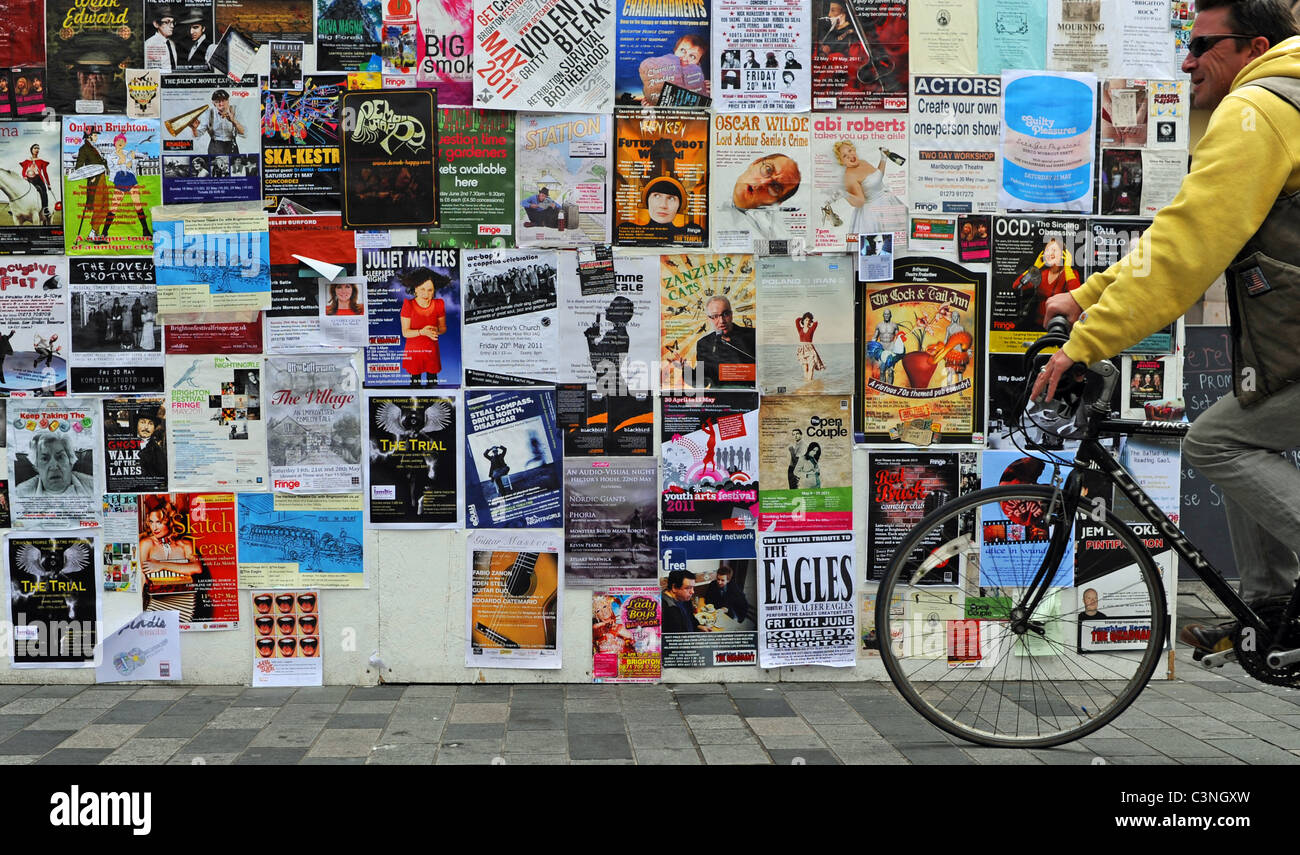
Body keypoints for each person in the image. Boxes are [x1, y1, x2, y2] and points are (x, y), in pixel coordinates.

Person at [1032, 0, 1300, 655]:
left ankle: (1271, 599)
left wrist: (1087, 343)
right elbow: (1180, 228)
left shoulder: (1257, 109)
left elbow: (1185, 249)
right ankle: (1271, 608)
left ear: (1253, 44)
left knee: (1216, 443)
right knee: (1241, 423)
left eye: (1203, 43)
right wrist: (1090, 295)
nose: (1186, 59)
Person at [715, 153, 803, 242]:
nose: (762, 182)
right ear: (755, 162)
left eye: (776, 187)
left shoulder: (766, 236)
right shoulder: (715, 185)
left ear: (776, 202)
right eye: (768, 170)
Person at [834, 140, 902, 238]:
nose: (849, 155)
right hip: (873, 214)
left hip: (888, 201)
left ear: (854, 150)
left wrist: (883, 158)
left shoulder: (863, 162)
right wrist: (845, 194)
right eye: (844, 156)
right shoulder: (849, 176)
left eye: (849, 151)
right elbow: (860, 202)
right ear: (842, 161)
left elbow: (877, 178)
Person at [1011, 236, 1081, 330]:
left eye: (1054, 250)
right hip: (1038, 326)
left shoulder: (1070, 274)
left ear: (1063, 254)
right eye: (1047, 250)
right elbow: (1017, 286)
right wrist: (1034, 268)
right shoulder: (1041, 274)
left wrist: (1067, 267)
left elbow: (1077, 297)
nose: (1050, 253)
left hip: (1060, 326)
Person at [399, 267, 446, 387]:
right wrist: (422, 332)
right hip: (414, 352)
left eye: (430, 290)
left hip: (432, 351)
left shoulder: (439, 304)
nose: (426, 294)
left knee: (433, 383)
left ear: (434, 290)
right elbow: (405, 332)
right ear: (415, 289)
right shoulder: (408, 305)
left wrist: (437, 330)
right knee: (415, 384)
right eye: (422, 289)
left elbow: (443, 328)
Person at [695, 295, 756, 388]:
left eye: (725, 314)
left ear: (731, 314)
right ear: (709, 319)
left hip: (750, 394)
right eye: (715, 316)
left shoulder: (753, 335)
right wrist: (684, 369)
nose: (722, 321)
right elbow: (701, 383)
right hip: (720, 397)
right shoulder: (704, 344)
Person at [15, 433, 94, 497]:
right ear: (36, 466)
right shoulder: (20, 493)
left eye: (60, 457)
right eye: (45, 459)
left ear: (71, 461)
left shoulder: (93, 486)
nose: (54, 467)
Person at [104, 133, 150, 239]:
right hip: (120, 180)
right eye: (118, 141)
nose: (120, 143)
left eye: (123, 141)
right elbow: (115, 169)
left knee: (138, 205)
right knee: (114, 207)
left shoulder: (128, 153)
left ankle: (146, 231)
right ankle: (104, 233)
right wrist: (126, 160)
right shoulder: (110, 156)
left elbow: (131, 167)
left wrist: (131, 160)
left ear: (125, 143)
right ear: (114, 143)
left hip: (130, 179)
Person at [638, 33, 707, 104]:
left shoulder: (697, 80)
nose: (684, 58)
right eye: (682, 50)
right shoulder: (662, 71)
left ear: (698, 63)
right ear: (675, 50)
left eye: (692, 56)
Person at [74, 125, 109, 242]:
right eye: (94, 135)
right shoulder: (84, 149)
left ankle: (95, 233)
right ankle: (94, 233)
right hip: (95, 181)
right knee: (98, 207)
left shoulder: (95, 147)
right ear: (88, 136)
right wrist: (90, 176)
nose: (96, 137)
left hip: (102, 178)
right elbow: (78, 167)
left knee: (105, 206)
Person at [190, 89, 247, 155]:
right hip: (215, 146)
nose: (221, 104)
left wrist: (234, 121)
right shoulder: (209, 113)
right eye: (217, 101)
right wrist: (194, 129)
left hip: (231, 145)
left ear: (228, 101)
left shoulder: (235, 110)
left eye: (223, 100)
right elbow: (198, 134)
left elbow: (244, 132)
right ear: (213, 103)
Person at [19, 143, 52, 223]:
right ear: (31, 150)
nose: (37, 150)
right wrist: (24, 176)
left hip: (38, 179)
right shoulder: (27, 161)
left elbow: (45, 173)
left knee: (43, 190)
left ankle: (45, 208)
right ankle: (17, 209)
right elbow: (23, 171)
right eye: (35, 148)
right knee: (20, 190)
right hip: (29, 179)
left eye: (38, 148)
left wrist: (48, 184)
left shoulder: (41, 161)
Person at [145, 5, 179, 71]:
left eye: (172, 22)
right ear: (156, 24)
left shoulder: (171, 44)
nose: (172, 26)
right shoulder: (149, 44)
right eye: (167, 22)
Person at [136, 410, 166, 480]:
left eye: (150, 423)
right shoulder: (125, 445)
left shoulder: (158, 451)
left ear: (154, 428)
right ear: (137, 424)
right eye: (142, 422)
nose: (146, 427)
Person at [795, 312, 825, 381]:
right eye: (806, 320)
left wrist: (811, 319)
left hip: (810, 349)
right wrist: (803, 317)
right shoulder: (800, 329)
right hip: (802, 350)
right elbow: (797, 320)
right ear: (803, 321)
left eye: (809, 321)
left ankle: (809, 384)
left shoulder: (812, 329)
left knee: (811, 368)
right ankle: (806, 385)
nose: (807, 322)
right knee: (805, 369)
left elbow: (816, 323)